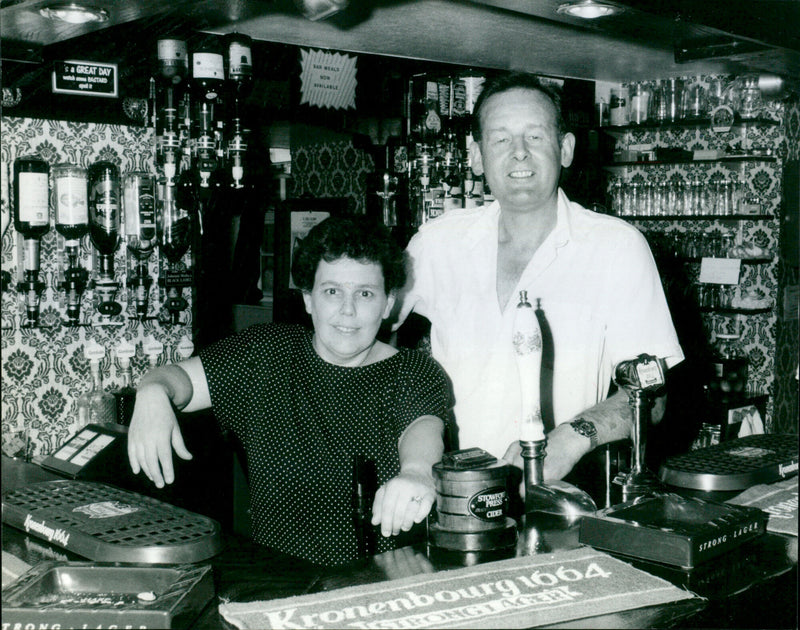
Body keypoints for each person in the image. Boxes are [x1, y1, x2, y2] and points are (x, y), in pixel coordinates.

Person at [393, 72, 683, 483]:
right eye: (500, 139)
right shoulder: (437, 244)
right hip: (448, 493)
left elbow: (651, 395)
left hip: (558, 496)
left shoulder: (616, 247)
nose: (519, 154)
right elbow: (368, 333)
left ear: (565, 149)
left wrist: (568, 439)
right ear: (475, 156)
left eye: (535, 136)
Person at [128, 216, 452, 566]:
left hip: (377, 587)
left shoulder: (413, 371)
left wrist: (418, 473)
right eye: (332, 292)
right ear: (309, 299)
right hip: (278, 583)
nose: (348, 309)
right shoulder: (265, 355)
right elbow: (181, 381)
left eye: (365, 293)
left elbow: (423, 429)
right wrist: (152, 390)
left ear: (388, 304)